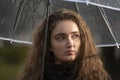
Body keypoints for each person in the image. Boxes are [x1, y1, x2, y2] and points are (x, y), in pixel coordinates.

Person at [18, 8, 111, 80]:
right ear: (49, 45)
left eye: (75, 36)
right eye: (61, 38)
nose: (70, 43)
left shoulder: (96, 76)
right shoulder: (35, 76)